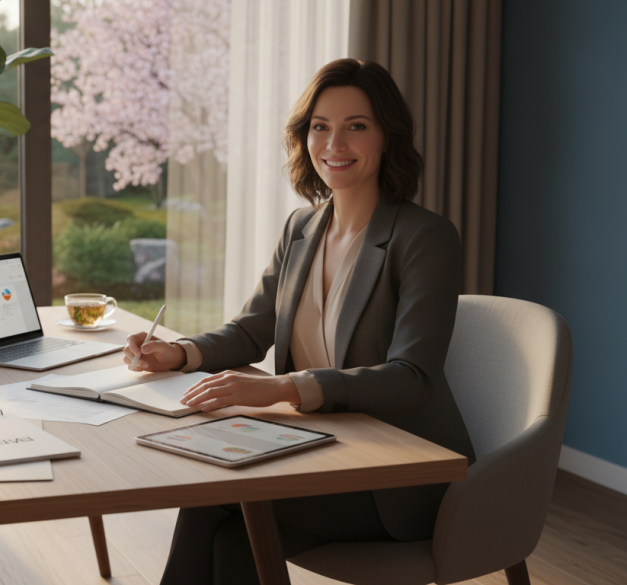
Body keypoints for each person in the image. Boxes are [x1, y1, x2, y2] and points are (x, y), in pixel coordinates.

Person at [123, 58, 477, 585]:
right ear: (304, 138)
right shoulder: (302, 228)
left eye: (356, 126)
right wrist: (180, 354)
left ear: (387, 137)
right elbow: (251, 330)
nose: (334, 143)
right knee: (225, 522)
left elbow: (413, 378)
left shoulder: (424, 236)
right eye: (320, 127)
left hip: (399, 475)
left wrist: (284, 388)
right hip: (320, 447)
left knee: (219, 502)